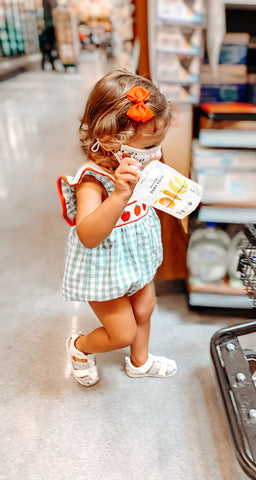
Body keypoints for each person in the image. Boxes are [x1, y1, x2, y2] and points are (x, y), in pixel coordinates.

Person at [57, 69, 177, 386]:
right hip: (103, 266)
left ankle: (140, 361)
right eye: (148, 145)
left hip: (136, 256)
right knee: (122, 332)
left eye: (159, 144)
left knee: (146, 307)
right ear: (111, 141)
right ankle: (79, 347)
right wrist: (121, 194)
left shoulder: (141, 164)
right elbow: (88, 235)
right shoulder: (92, 180)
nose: (156, 153)